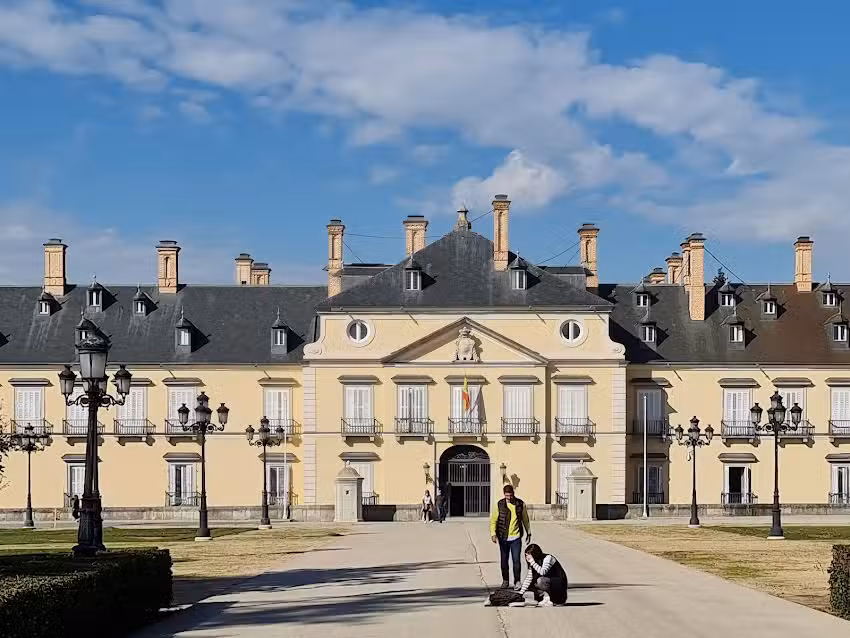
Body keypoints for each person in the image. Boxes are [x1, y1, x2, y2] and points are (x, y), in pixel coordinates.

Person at [490, 484, 531, 589]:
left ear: (513, 493)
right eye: (507, 496)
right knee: (504, 561)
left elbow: (525, 519)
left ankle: (517, 582)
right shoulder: (499, 505)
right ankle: (505, 581)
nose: (509, 498)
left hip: (516, 538)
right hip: (503, 537)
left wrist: (528, 532)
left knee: (516, 561)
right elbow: (493, 520)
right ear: (504, 495)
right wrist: (493, 534)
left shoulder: (520, 504)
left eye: (510, 495)